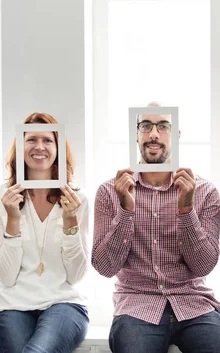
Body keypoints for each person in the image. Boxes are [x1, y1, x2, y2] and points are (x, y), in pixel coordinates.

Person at [93, 103, 220, 353]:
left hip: (193, 303)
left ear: (176, 136)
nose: (153, 134)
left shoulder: (205, 192)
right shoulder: (110, 192)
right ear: (136, 134)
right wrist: (126, 210)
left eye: (163, 126)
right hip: (136, 306)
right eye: (145, 126)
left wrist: (186, 208)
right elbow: (105, 267)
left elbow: (204, 266)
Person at [0, 112, 89, 353]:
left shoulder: (77, 199)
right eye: (31, 139)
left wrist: (69, 220)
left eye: (47, 140)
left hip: (64, 304)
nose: (39, 147)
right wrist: (13, 218)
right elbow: (6, 276)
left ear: (58, 148)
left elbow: (76, 275)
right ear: (20, 147)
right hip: (11, 306)